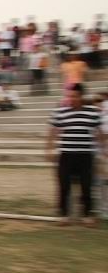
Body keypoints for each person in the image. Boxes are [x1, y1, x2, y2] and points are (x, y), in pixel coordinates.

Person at [46, 84, 106, 226]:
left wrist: (103, 149)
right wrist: (49, 148)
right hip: (66, 155)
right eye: (69, 96)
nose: (71, 99)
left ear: (81, 96)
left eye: (74, 96)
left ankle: (88, 215)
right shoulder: (60, 112)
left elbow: (99, 132)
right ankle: (64, 215)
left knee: (86, 185)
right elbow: (53, 131)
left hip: (85, 155)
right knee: (64, 185)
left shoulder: (92, 112)